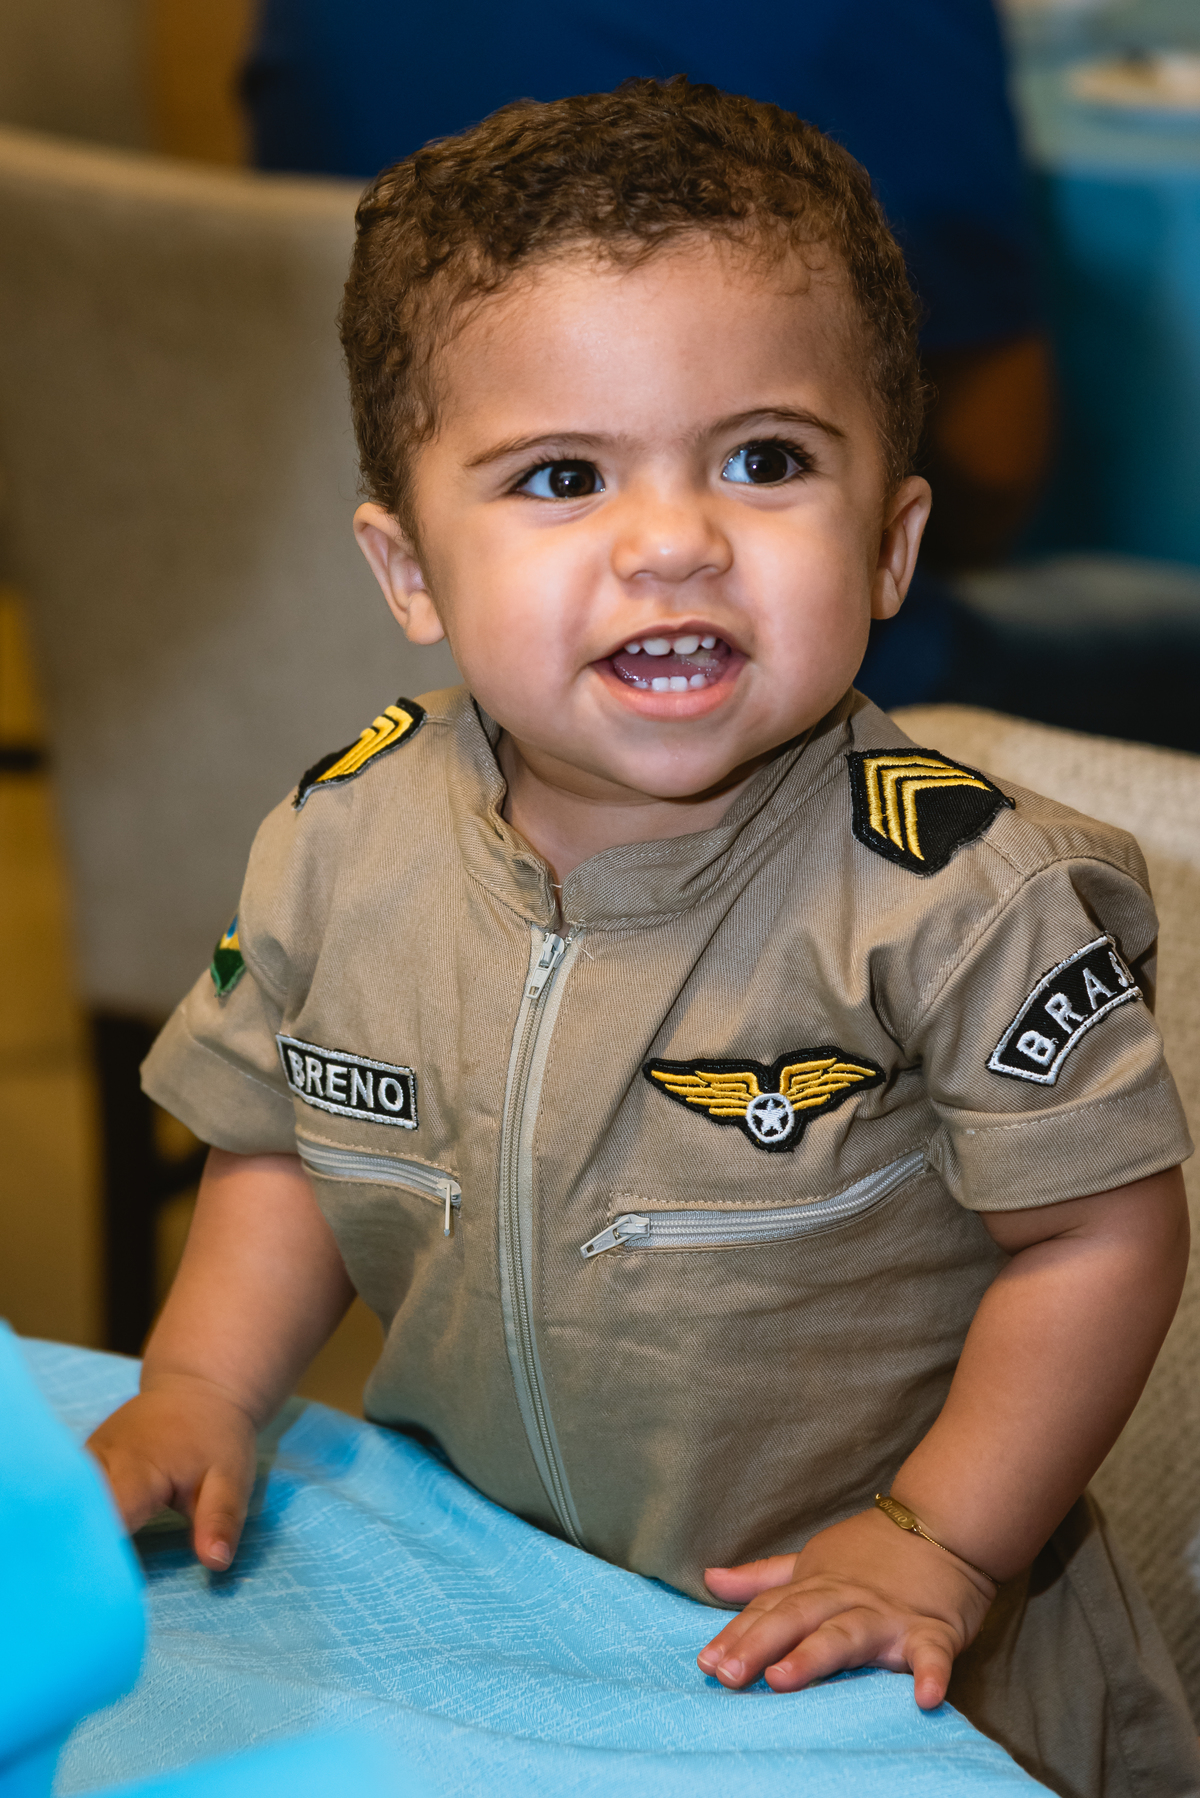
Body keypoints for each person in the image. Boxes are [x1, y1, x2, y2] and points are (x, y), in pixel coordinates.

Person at [87, 83, 1197, 1796]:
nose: (672, 539)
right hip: (512, 1614)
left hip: (889, 1668)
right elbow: (290, 1143)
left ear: (891, 539)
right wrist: (202, 1386)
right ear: (410, 571)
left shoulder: (956, 898)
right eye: (560, 476)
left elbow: (1101, 1238)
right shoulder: (341, 838)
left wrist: (940, 1542)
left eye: (765, 461)